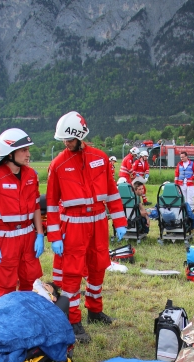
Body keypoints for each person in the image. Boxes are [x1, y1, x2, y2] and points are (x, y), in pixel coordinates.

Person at [46, 111, 127, 344]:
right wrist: (55, 235)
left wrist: (120, 221)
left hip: (99, 221)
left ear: (80, 136)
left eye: (69, 139)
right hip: (73, 225)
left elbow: (112, 192)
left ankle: (94, 310)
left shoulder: (100, 158)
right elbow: (51, 203)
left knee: (98, 267)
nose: (66, 143)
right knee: (72, 275)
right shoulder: (58, 164)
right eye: (64, 140)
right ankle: (73, 321)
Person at [0, 128, 44, 297]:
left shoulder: (31, 175)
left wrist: (39, 234)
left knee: (30, 283)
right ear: (10, 153)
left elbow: (36, 206)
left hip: (28, 238)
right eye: (24, 150)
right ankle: (6, 322)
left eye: (28, 149)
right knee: (5, 288)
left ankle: (25, 320)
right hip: (5, 240)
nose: (28, 154)